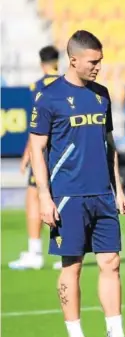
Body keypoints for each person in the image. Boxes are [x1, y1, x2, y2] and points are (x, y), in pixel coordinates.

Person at [29, 30, 125, 337]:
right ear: (73, 60)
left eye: (101, 61)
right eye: (93, 61)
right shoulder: (49, 98)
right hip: (68, 196)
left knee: (111, 262)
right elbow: (37, 149)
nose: (99, 67)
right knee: (72, 265)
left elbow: (109, 145)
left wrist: (119, 189)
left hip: (102, 195)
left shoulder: (102, 95)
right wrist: (44, 196)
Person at [9, 46, 62, 270]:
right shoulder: (67, 85)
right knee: (62, 198)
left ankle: (35, 252)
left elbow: (37, 125)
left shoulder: (37, 87)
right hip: (62, 150)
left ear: (41, 64)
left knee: (33, 197)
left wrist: (27, 155)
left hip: (44, 152)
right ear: (58, 61)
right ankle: (65, 252)